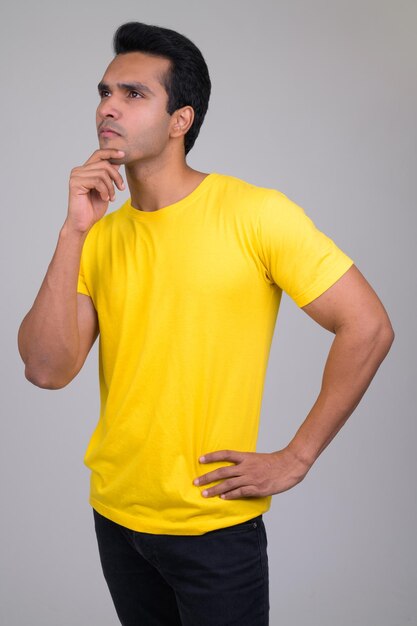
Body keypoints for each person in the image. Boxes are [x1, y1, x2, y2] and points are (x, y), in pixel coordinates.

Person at [17, 21, 394, 626]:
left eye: (133, 94)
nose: (108, 107)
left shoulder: (256, 214)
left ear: (180, 120)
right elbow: (45, 368)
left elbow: (369, 327)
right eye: (105, 91)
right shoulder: (98, 236)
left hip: (213, 527)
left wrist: (297, 456)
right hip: (116, 519)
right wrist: (72, 231)